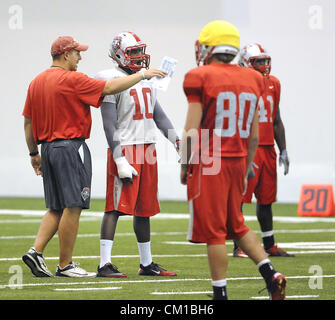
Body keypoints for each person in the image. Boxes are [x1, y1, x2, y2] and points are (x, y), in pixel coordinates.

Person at [22, 35, 166, 278]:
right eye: (77, 53)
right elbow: (109, 88)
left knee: (56, 206)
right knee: (74, 205)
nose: (80, 57)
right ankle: (65, 265)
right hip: (70, 146)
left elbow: (28, 122)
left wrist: (33, 153)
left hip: (46, 148)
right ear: (65, 54)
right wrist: (143, 75)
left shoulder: (37, 81)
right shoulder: (72, 78)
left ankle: (36, 251)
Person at [180, 20, 286, 300]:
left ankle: (220, 294)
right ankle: (271, 274)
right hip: (239, 159)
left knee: (215, 233)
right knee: (236, 224)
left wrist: (184, 164)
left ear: (209, 47)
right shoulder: (253, 78)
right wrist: (247, 166)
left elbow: (191, 130)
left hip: (210, 160)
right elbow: (253, 134)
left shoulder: (199, 75)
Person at [95, 31, 179, 278]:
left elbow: (159, 115)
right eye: (134, 52)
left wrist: (176, 139)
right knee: (115, 208)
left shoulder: (146, 80)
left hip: (147, 148)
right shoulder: (111, 81)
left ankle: (147, 263)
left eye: (141, 51)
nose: (140, 57)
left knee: (144, 209)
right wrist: (119, 158)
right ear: (119, 54)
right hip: (126, 148)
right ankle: (104, 264)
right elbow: (109, 125)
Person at [232, 43, 293, 258]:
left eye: (266, 60)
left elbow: (276, 119)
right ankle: (238, 245)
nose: (264, 65)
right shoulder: (238, 84)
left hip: (267, 149)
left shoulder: (273, 83)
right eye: (259, 61)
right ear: (246, 63)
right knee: (239, 199)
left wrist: (283, 149)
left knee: (266, 200)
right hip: (248, 148)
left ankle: (269, 244)